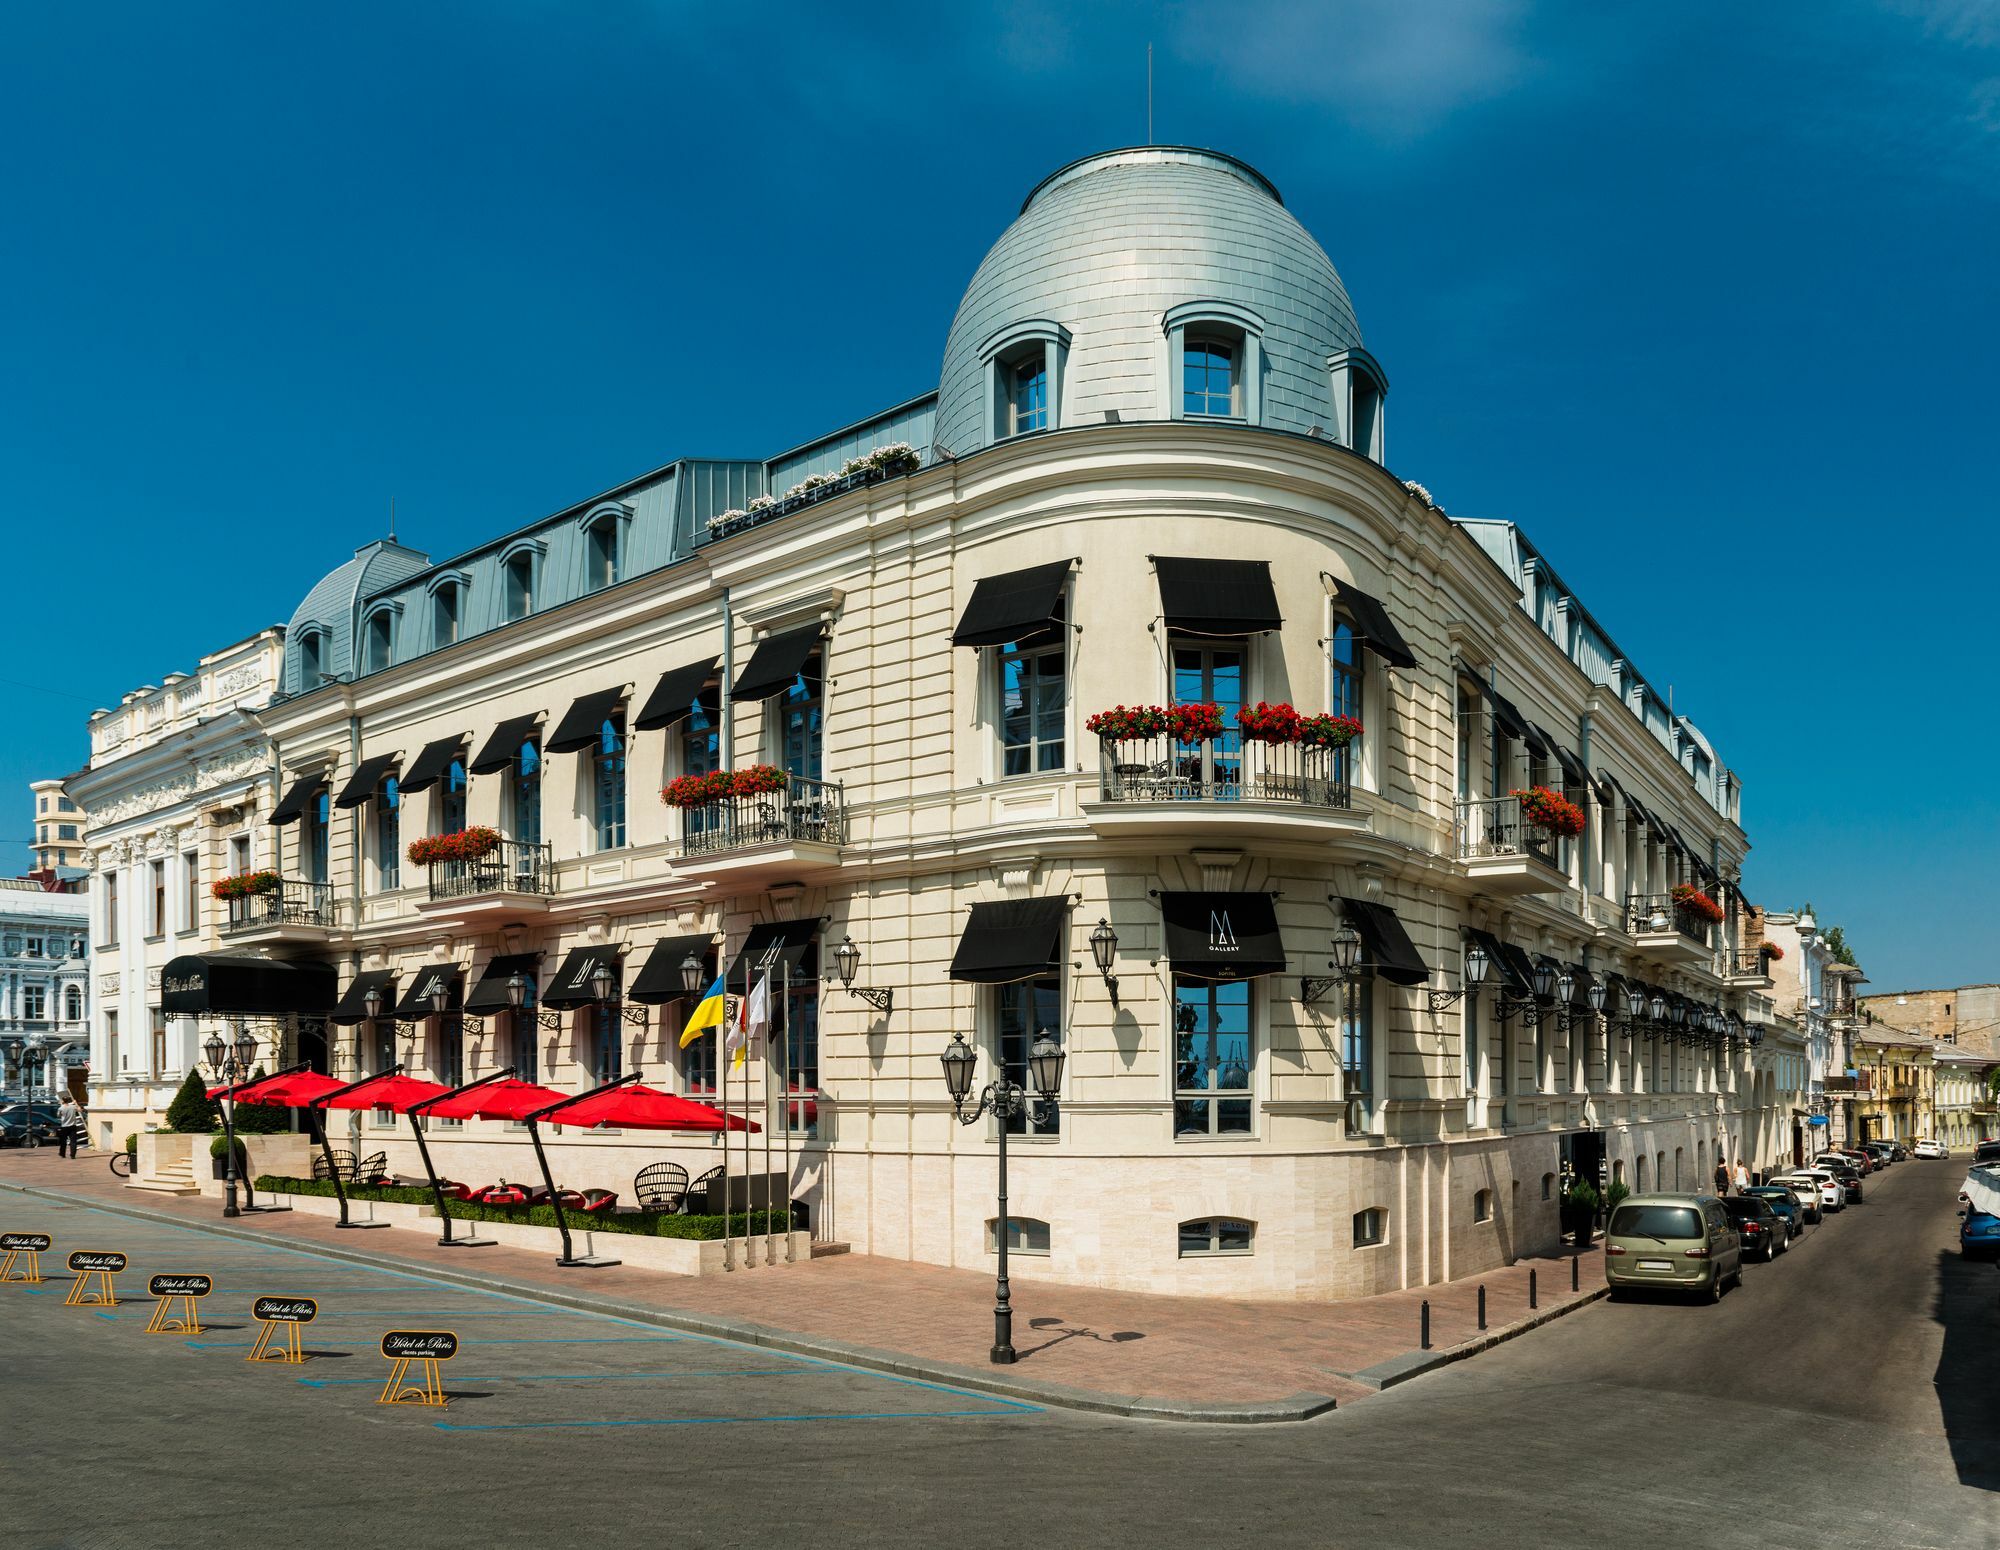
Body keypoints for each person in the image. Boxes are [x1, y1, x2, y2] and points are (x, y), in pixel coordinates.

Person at [55, 1095, 83, 1160]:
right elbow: (80, 1110)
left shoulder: (61, 1108)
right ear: (68, 1100)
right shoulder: (73, 1107)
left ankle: (62, 1154)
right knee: (73, 1141)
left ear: (63, 1101)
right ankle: (72, 1155)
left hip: (64, 1126)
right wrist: (75, 1103)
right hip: (73, 1126)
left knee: (63, 1141)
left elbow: (58, 1115)